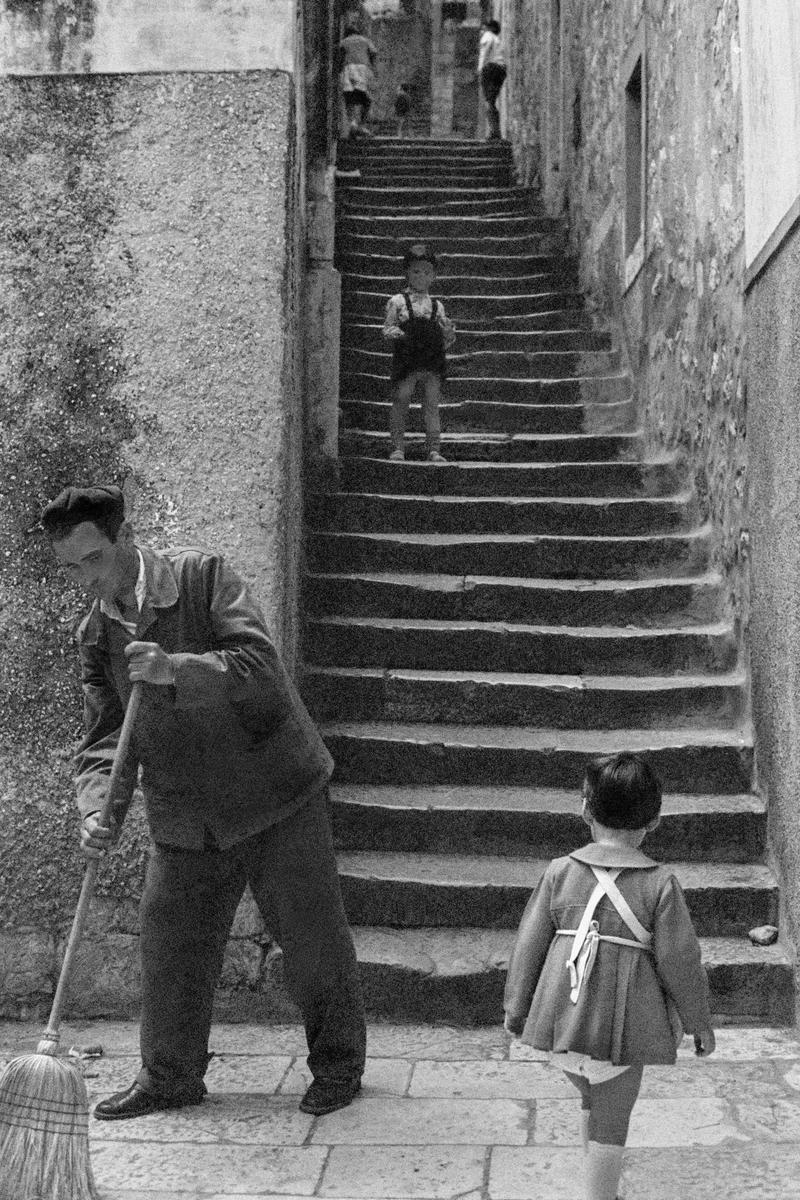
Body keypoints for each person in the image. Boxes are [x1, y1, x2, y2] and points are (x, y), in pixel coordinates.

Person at [41, 485, 366, 1120]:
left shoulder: (203, 577)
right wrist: (96, 811)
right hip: (186, 811)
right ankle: (170, 1078)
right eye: (71, 567)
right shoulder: (95, 632)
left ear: (127, 537)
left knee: (312, 942)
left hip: (275, 793)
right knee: (169, 948)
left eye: (95, 559)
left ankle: (339, 1067)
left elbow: (260, 667)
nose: (87, 579)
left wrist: (176, 668)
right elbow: (108, 739)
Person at [504, 752, 715, 1200]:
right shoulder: (660, 884)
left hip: (562, 1027)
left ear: (584, 808)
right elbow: (681, 960)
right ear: (655, 820)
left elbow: (528, 945)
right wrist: (698, 1023)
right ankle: (600, 1196)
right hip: (620, 1038)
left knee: (590, 1098)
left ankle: (599, 1185)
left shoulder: (560, 872)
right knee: (611, 1122)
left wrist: (515, 1008)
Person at [383, 242, 456, 463]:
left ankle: (434, 448)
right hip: (407, 358)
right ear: (407, 273)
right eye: (416, 271)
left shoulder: (437, 306)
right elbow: (387, 329)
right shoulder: (398, 302)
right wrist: (402, 335)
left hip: (432, 360)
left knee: (431, 404)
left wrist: (447, 333)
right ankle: (397, 447)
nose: (421, 276)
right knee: (401, 399)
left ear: (433, 276)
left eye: (426, 272)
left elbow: (447, 339)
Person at [339, 24, 378, 139]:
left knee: (349, 96)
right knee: (365, 98)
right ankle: (361, 124)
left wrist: (341, 67)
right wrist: (372, 66)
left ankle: (352, 122)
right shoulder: (365, 40)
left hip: (348, 68)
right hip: (362, 68)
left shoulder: (344, 41)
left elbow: (340, 52)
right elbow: (374, 53)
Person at [477, 18, 506, 140]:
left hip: (490, 68)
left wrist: (480, 68)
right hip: (501, 69)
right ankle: (496, 130)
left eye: (483, 28)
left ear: (488, 28)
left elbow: (485, 51)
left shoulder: (487, 36)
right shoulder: (498, 40)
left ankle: (494, 131)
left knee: (488, 101)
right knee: (492, 101)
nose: (482, 31)